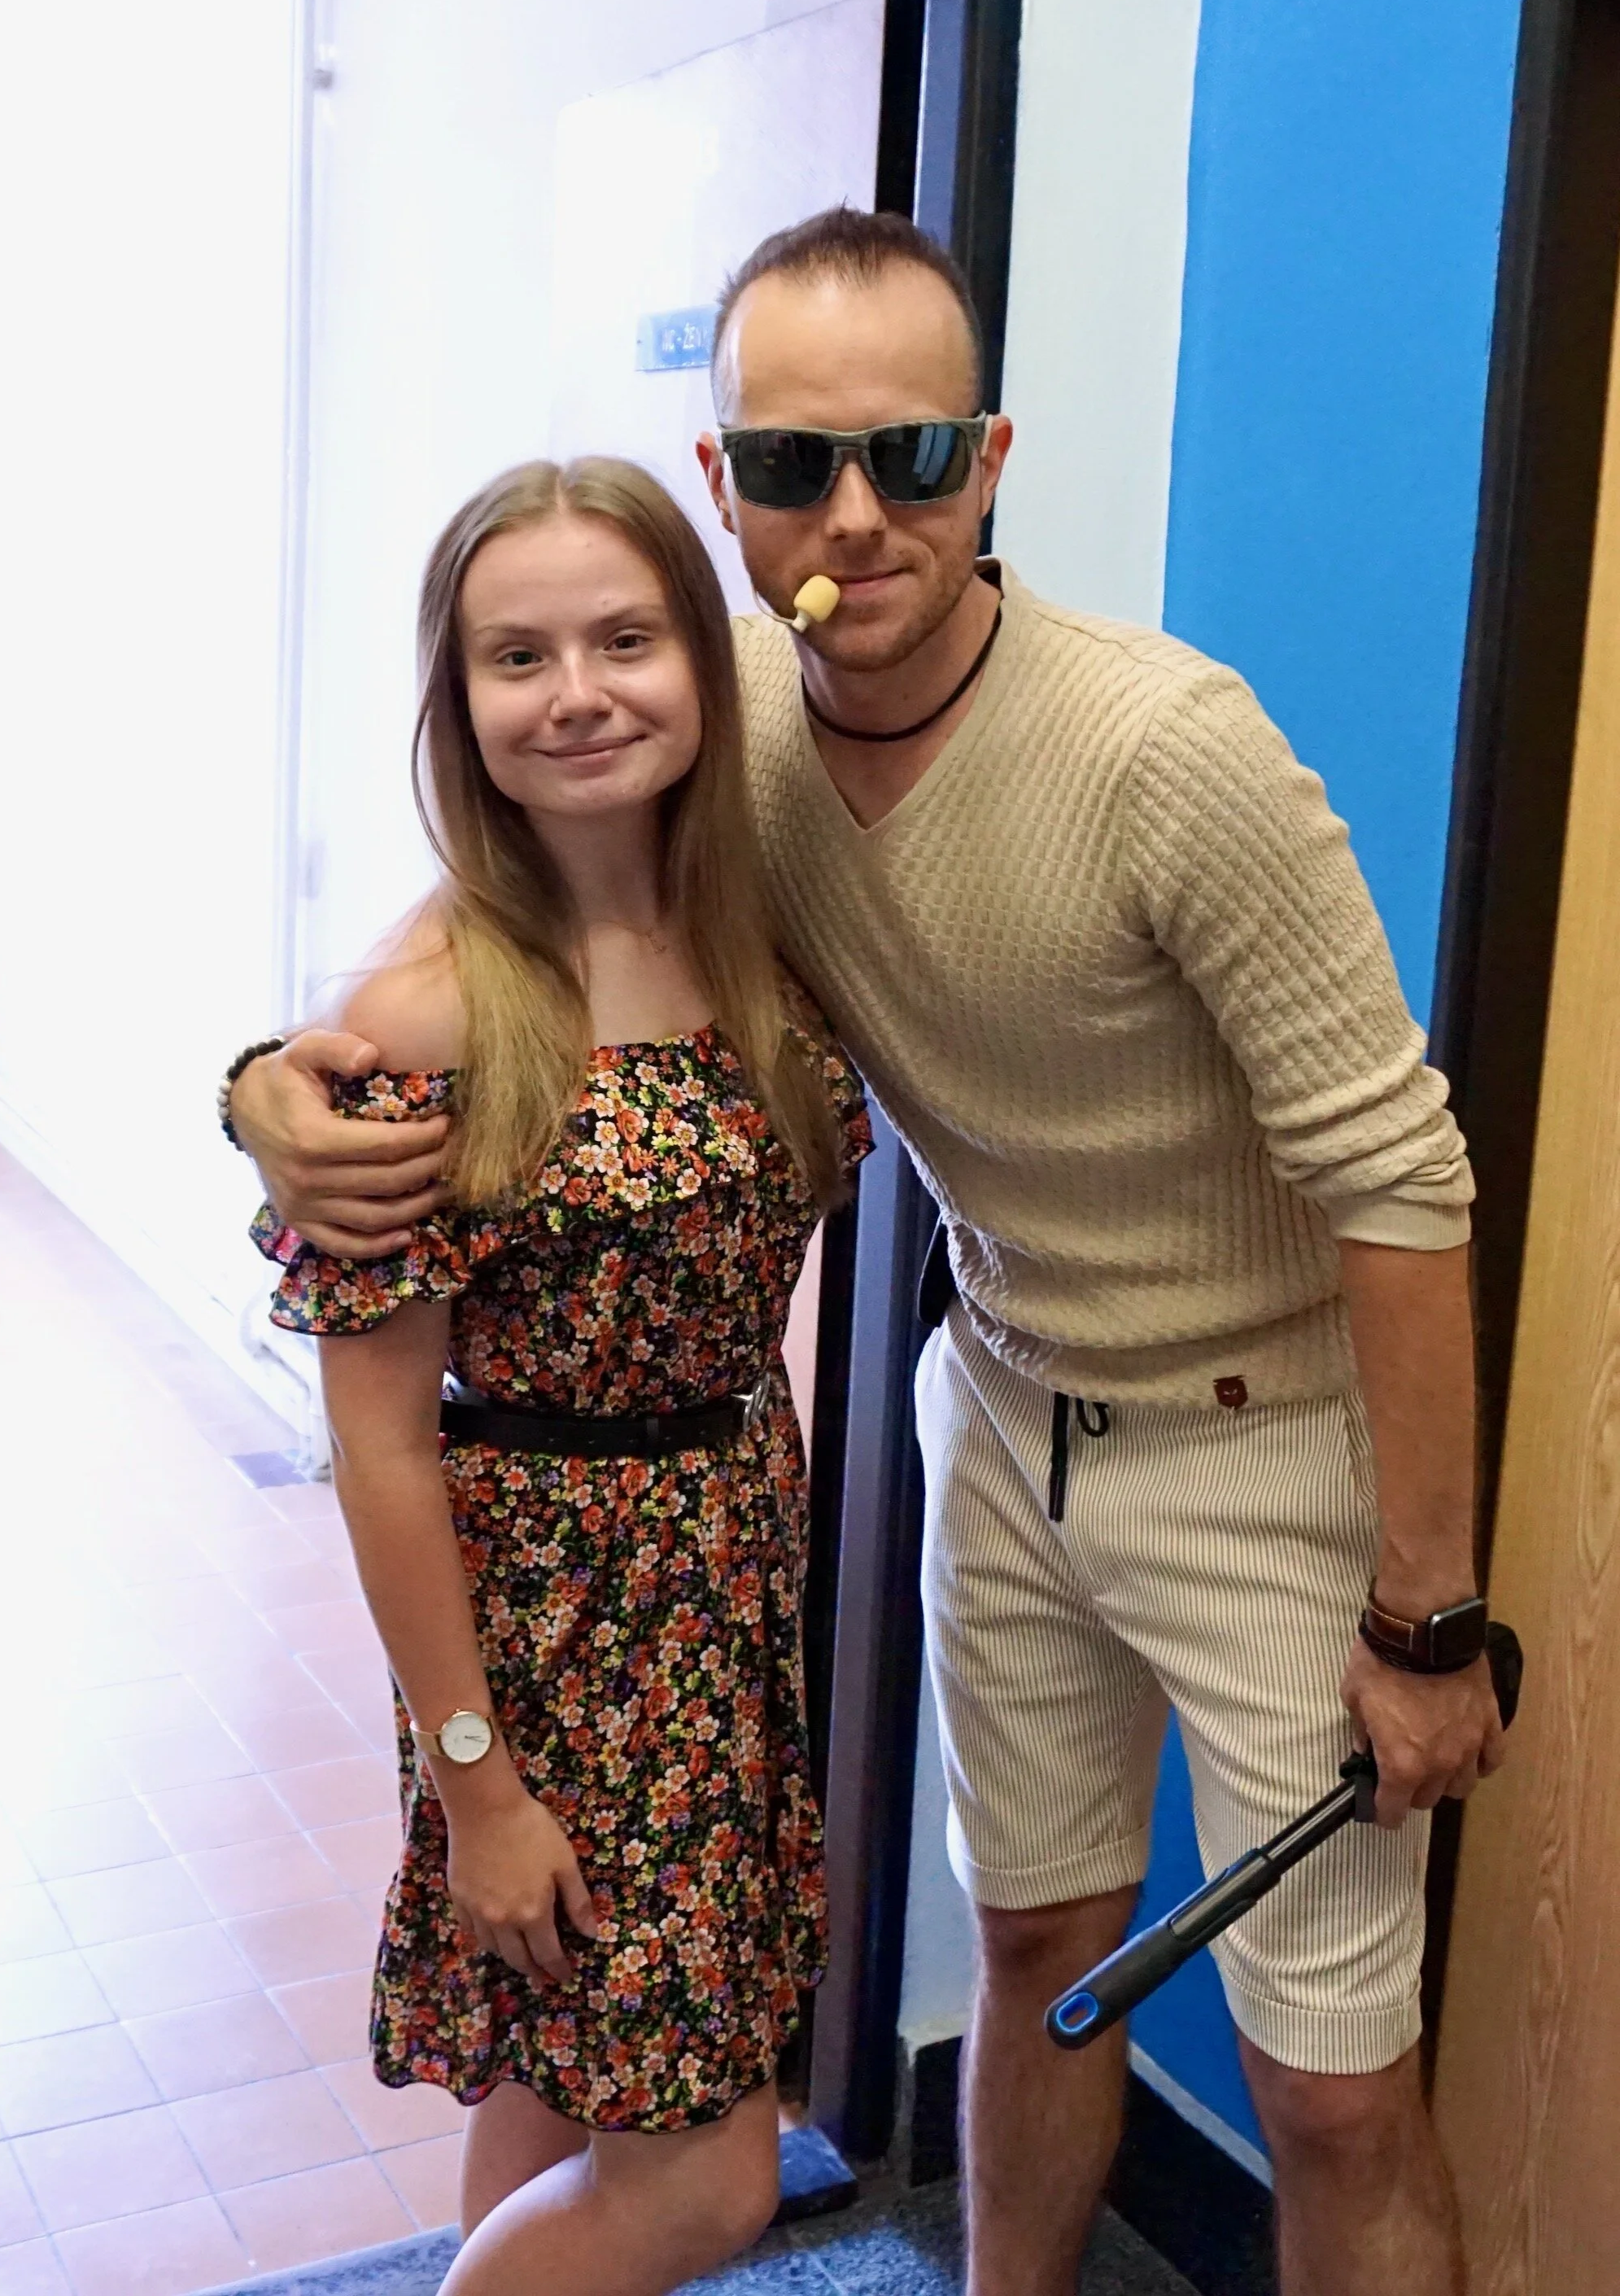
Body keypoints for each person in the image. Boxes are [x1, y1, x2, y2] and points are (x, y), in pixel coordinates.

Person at [226, 210, 1500, 2296]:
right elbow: (502, 875)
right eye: (792, 462)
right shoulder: (720, 691)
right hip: (983, 1419)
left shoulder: (1160, 750)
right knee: (1023, 1948)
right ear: (723, 485)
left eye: (908, 456)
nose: (852, 518)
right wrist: (278, 1079)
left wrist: (1427, 1615)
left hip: (1253, 1445)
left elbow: (1398, 1175)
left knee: (1337, 2093)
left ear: (986, 461)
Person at [242, 454, 869, 2296]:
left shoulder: (756, 928)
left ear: (704, 666)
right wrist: (478, 1791)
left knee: (553, 2064)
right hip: (548, 1643)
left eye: (625, 639)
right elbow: (377, 1445)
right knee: (704, 2184)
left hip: (725, 1586)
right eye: (518, 656)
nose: (578, 693)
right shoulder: (431, 1008)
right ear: (460, 701)